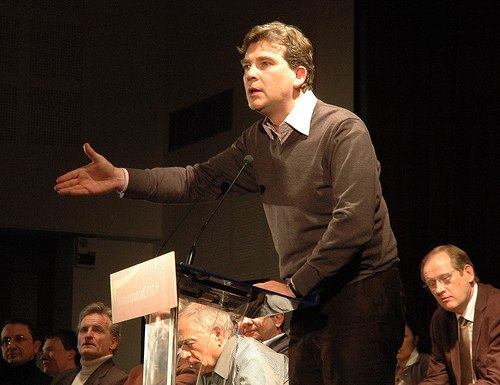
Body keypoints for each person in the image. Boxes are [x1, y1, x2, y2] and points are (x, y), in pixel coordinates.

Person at [54, 20, 405, 384]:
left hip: (360, 294)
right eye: (247, 66)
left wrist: (294, 287)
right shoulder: (257, 141)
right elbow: (196, 179)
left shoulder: (342, 129)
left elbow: (354, 223)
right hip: (308, 301)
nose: (251, 74)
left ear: (299, 74)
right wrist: (123, 178)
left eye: (265, 63)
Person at [419, 244, 500, 384]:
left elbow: (495, 379)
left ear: (468, 273)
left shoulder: (496, 308)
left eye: (445, 278)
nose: (438, 290)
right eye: (431, 284)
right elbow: (438, 376)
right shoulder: (440, 319)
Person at [177, 301, 288, 384]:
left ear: (217, 334)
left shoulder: (252, 361)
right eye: (180, 346)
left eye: (189, 343)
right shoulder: (206, 366)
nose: (183, 354)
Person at [51, 302, 128, 385]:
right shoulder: (61, 378)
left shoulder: (120, 380)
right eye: (84, 330)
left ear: (113, 342)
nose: (88, 335)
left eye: (97, 330)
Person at [0, 318, 52, 385]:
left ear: (36, 346)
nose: (11, 346)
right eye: (6, 341)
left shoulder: (49, 383)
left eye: (19, 339)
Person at [395, 313, 431, 385]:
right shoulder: (388, 365)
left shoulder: (426, 363)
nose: (398, 342)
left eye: (404, 336)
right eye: (394, 336)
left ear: (416, 339)